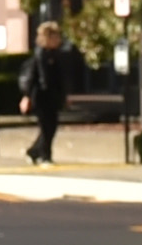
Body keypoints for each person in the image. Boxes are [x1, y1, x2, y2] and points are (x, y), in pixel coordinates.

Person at [17, 21, 90, 165]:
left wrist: (64, 96)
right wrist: (26, 96)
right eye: (55, 36)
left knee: (51, 126)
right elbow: (33, 78)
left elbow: (59, 79)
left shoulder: (56, 55)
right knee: (46, 127)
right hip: (41, 97)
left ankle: (34, 151)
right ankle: (45, 156)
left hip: (52, 97)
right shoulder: (39, 55)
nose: (58, 40)